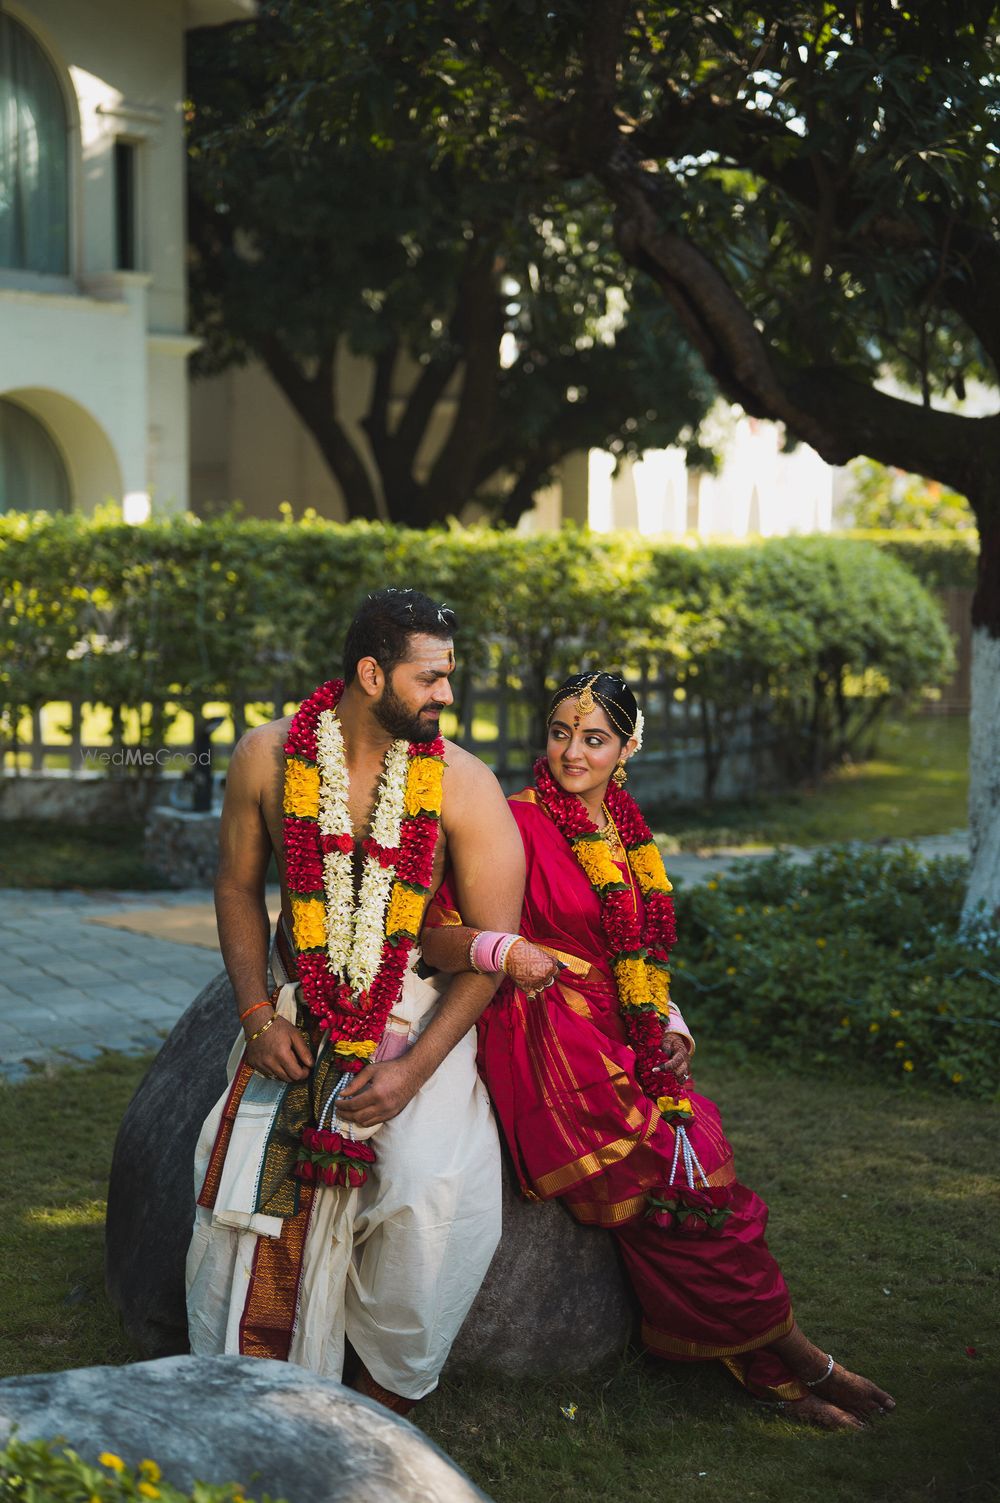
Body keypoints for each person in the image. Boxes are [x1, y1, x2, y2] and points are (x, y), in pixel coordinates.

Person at [420, 670, 897, 1431]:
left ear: (628, 748)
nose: (573, 752)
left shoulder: (627, 831)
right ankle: (802, 1360)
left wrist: (670, 1023)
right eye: (560, 733)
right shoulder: (510, 820)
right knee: (671, 1178)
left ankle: (769, 1366)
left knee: (699, 1162)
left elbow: (633, 949)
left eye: (595, 739)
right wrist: (507, 949)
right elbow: (435, 930)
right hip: (548, 1036)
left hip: (621, 1028)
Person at [186, 588, 532, 1415]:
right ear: (370, 674)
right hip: (297, 1009)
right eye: (430, 678)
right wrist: (257, 1014)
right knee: (237, 1183)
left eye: (449, 677)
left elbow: (492, 948)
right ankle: (254, 1392)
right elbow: (236, 887)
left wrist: (413, 1072)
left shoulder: (462, 784)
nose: (447, 695)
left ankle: (382, 1402)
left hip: (413, 1008)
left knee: (425, 1189)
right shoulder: (267, 756)